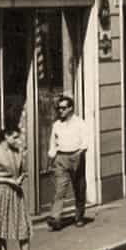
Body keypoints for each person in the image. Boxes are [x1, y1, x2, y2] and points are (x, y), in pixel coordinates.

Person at [48, 94, 91, 230]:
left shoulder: (80, 123)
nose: (60, 111)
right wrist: (52, 156)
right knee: (60, 189)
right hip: (61, 158)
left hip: (76, 156)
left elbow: (85, 141)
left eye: (63, 108)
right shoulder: (57, 125)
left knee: (79, 188)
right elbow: (53, 143)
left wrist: (79, 154)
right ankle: (55, 217)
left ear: (71, 108)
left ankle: (79, 216)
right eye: (59, 108)